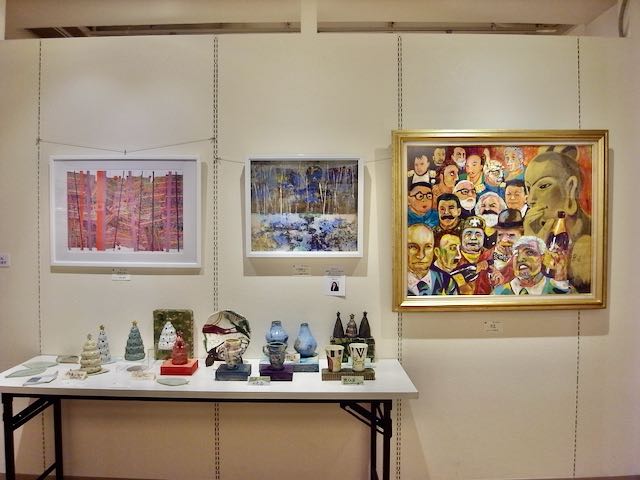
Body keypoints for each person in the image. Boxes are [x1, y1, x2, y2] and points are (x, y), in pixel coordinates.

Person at [524, 150, 591, 292]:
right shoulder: (541, 230)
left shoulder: (587, 242)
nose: (530, 200)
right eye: (528, 188)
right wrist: (531, 240)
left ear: (570, 188)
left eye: (543, 186)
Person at [492, 236, 575, 295]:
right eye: (516, 254)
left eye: (529, 252)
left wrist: (560, 283)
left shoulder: (559, 286)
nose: (520, 259)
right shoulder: (499, 293)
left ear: (542, 257)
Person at [407, 224, 458, 296]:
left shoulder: (446, 281)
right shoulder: (395, 283)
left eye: (428, 247)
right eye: (413, 247)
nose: (421, 255)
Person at [450, 216, 492, 294]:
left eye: (478, 234)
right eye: (468, 234)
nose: (473, 238)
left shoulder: (490, 256)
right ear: (461, 237)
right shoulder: (451, 256)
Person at [487, 208, 524, 289]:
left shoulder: (528, 259)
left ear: (522, 236)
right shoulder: (487, 255)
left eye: (511, 235)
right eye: (500, 235)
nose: (504, 240)